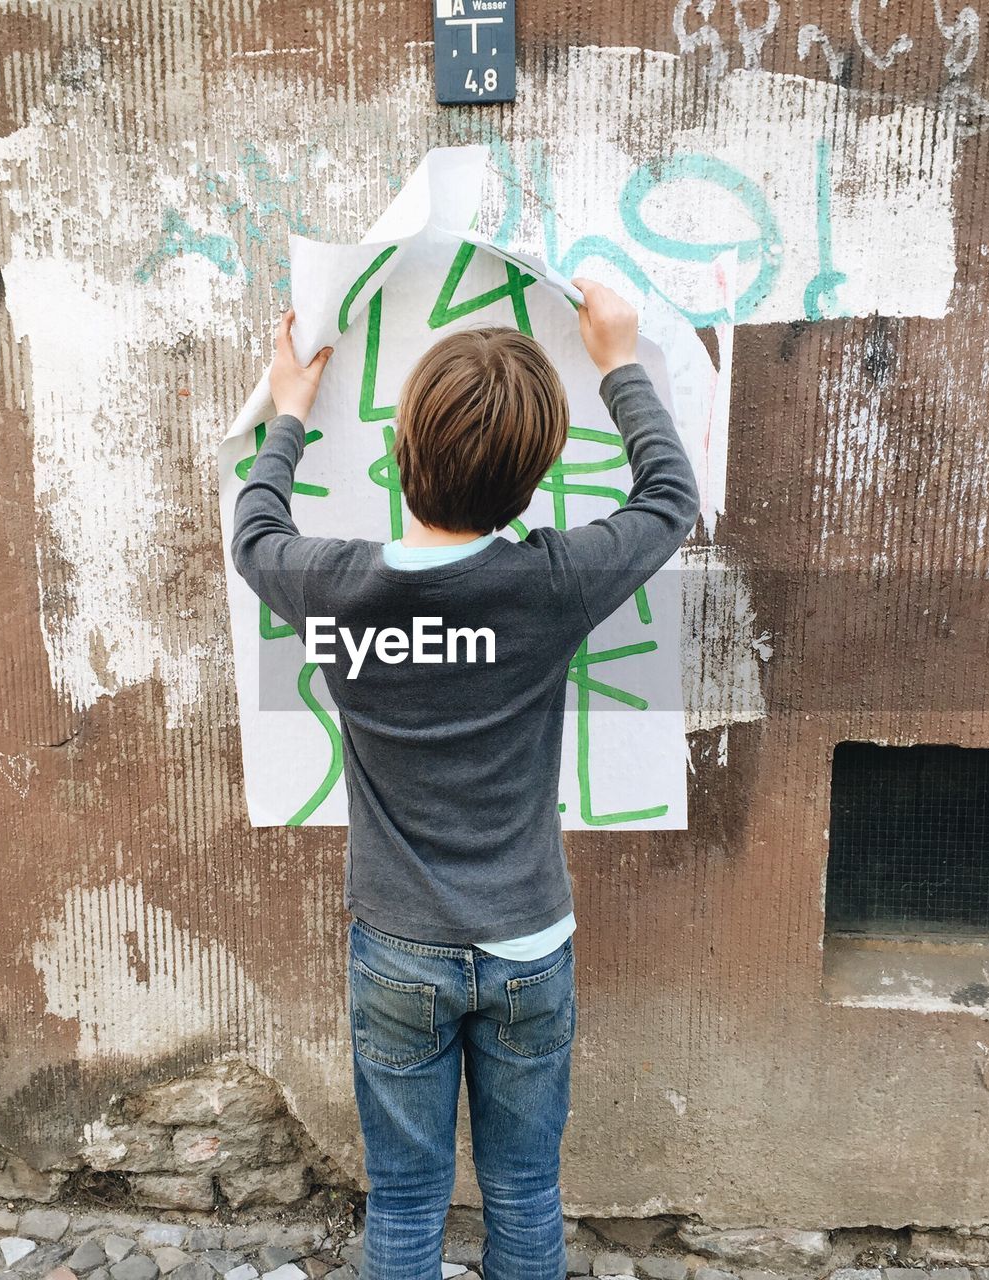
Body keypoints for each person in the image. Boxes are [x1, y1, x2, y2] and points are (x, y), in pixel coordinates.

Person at [231, 279, 701, 1280]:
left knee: (404, 1195)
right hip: (530, 941)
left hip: (397, 950)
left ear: (399, 449)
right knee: (525, 1186)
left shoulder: (331, 583)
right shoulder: (551, 580)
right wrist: (617, 359)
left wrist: (287, 414)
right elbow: (668, 499)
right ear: (533, 477)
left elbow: (254, 533)